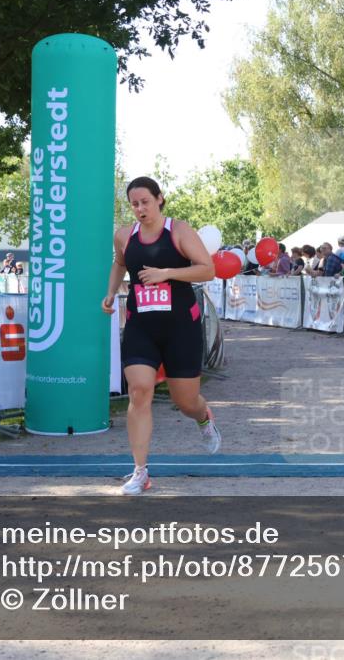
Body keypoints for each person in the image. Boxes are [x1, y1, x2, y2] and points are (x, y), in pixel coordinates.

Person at [101, 176, 221, 496]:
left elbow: (207, 269)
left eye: (145, 202)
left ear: (159, 199)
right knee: (139, 391)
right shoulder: (124, 236)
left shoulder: (178, 231)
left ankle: (203, 417)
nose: (140, 209)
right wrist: (111, 293)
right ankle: (140, 472)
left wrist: (166, 273)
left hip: (180, 327)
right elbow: (119, 264)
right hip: (141, 326)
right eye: (134, 204)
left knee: (186, 402)